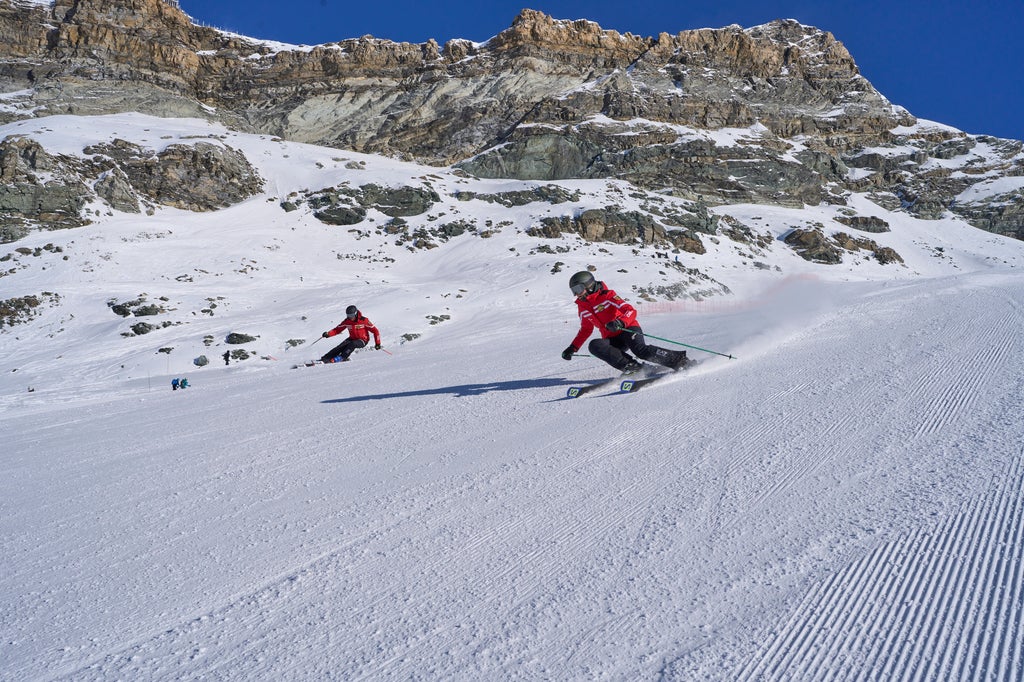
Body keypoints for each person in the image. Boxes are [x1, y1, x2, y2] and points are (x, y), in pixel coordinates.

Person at [561, 270, 687, 374]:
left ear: (588, 285)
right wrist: (573, 348)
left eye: (578, 289)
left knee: (640, 350)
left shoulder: (607, 296)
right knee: (595, 345)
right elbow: (586, 329)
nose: (577, 294)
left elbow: (630, 310)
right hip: (612, 338)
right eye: (574, 291)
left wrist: (620, 322)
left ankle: (679, 360)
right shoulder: (582, 307)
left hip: (628, 328)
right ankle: (634, 368)